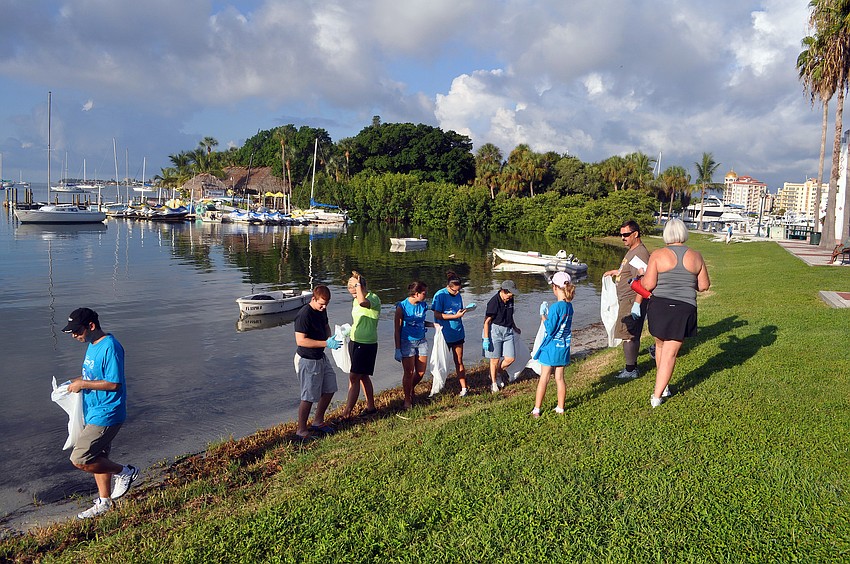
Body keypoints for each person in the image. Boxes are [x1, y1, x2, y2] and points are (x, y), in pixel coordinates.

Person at [62, 307, 138, 519]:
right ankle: (104, 502)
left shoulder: (110, 347)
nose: (75, 336)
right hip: (94, 410)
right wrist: (74, 382)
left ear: (91, 326)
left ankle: (125, 472)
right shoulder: (92, 345)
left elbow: (114, 384)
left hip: (108, 413)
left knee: (80, 458)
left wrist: (84, 383)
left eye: (77, 331)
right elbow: (92, 375)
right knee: (98, 457)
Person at [641, 219, 711, 408]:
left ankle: (658, 393)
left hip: (659, 307)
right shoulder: (696, 256)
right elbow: (704, 286)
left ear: (666, 235)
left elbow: (648, 285)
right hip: (684, 307)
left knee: (660, 346)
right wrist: (687, 281)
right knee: (670, 353)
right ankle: (660, 391)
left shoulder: (657, 255)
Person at [603, 220, 650, 379]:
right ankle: (632, 367)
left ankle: (631, 370)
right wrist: (618, 272)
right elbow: (632, 271)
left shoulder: (639, 253)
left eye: (626, 235)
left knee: (628, 335)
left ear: (635, 234)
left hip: (631, 300)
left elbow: (643, 280)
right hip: (627, 299)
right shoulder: (632, 250)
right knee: (629, 334)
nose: (622, 238)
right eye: (621, 235)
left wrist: (637, 303)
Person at [294, 285, 342, 440]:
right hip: (307, 359)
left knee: (330, 387)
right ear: (313, 299)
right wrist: (326, 344)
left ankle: (318, 421)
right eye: (321, 304)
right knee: (308, 395)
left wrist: (330, 338)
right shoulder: (304, 314)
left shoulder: (322, 310)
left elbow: (326, 326)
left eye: (326, 304)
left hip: (320, 356)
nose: (324, 307)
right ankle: (301, 430)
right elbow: (301, 341)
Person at [530, 272, 575, 418]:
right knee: (560, 378)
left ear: (555, 287)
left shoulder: (556, 307)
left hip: (550, 348)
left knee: (544, 378)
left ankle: (537, 409)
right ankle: (560, 408)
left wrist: (543, 316)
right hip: (563, 347)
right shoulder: (569, 307)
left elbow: (550, 328)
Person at [341, 271, 380, 418]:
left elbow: (363, 302)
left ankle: (347, 412)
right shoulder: (355, 299)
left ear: (361, 287)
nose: (354, 296)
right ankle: (371, 407)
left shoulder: (373, 298)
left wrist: (357, 287)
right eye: (352, 294)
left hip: (367, 344)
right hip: (355, 341)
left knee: (354, 376)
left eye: (355, 292)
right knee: (362, 376)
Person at [394, 281, 433, 409]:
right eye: (424, 293)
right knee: (409, 372)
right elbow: (397, 329)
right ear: (416, 294)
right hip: (407, 342)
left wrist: (434, 325)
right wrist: (398, 349)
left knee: (421, 372)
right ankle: (407, 399)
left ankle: (410, 388)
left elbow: (421, 322)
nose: (426, 295)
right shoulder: (402, 307)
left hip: (421, 341)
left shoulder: (422, 305)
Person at [431, 271, 471, 397]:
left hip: (458, 332)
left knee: (458, 360)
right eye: (454, 291)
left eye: (459, 290)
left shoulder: (458, 295)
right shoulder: (440, 295)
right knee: (441, 362)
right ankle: (437, 387)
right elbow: (437, 314)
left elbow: (457, 309)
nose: (457, 293)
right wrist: (455, 316)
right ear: (448, 287)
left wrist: (463, 311)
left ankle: (464, 388)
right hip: (444, 334)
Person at [483, 280, 522, 393]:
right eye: (510, 294)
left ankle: (497, 373)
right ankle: (494, 383)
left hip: (508, 331)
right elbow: (486, 322)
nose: (511, 297)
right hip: (495, 331)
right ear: (504, 291)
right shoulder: (493, 302)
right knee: (494, 360)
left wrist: (515, 327)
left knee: (510, 358)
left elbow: (510, 315)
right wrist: (486, 338)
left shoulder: (510, 299)